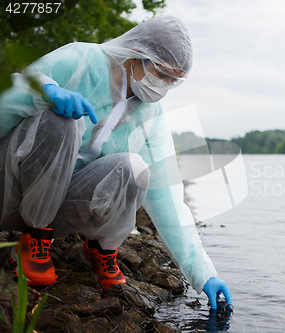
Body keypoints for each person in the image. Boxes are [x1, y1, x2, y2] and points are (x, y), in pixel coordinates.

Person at [0, 15, 232, 310]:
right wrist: (44, 91)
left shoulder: (150, 115)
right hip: (9, 187)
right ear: (137, 56)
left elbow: (169, 198)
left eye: (174, 80)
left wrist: (204, 274)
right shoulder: (80, 59)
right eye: (162, 73)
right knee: (63, 120)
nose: (165, 86)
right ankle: (31, 240)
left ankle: (98, 248)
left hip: (56, 211)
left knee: (135, 168)